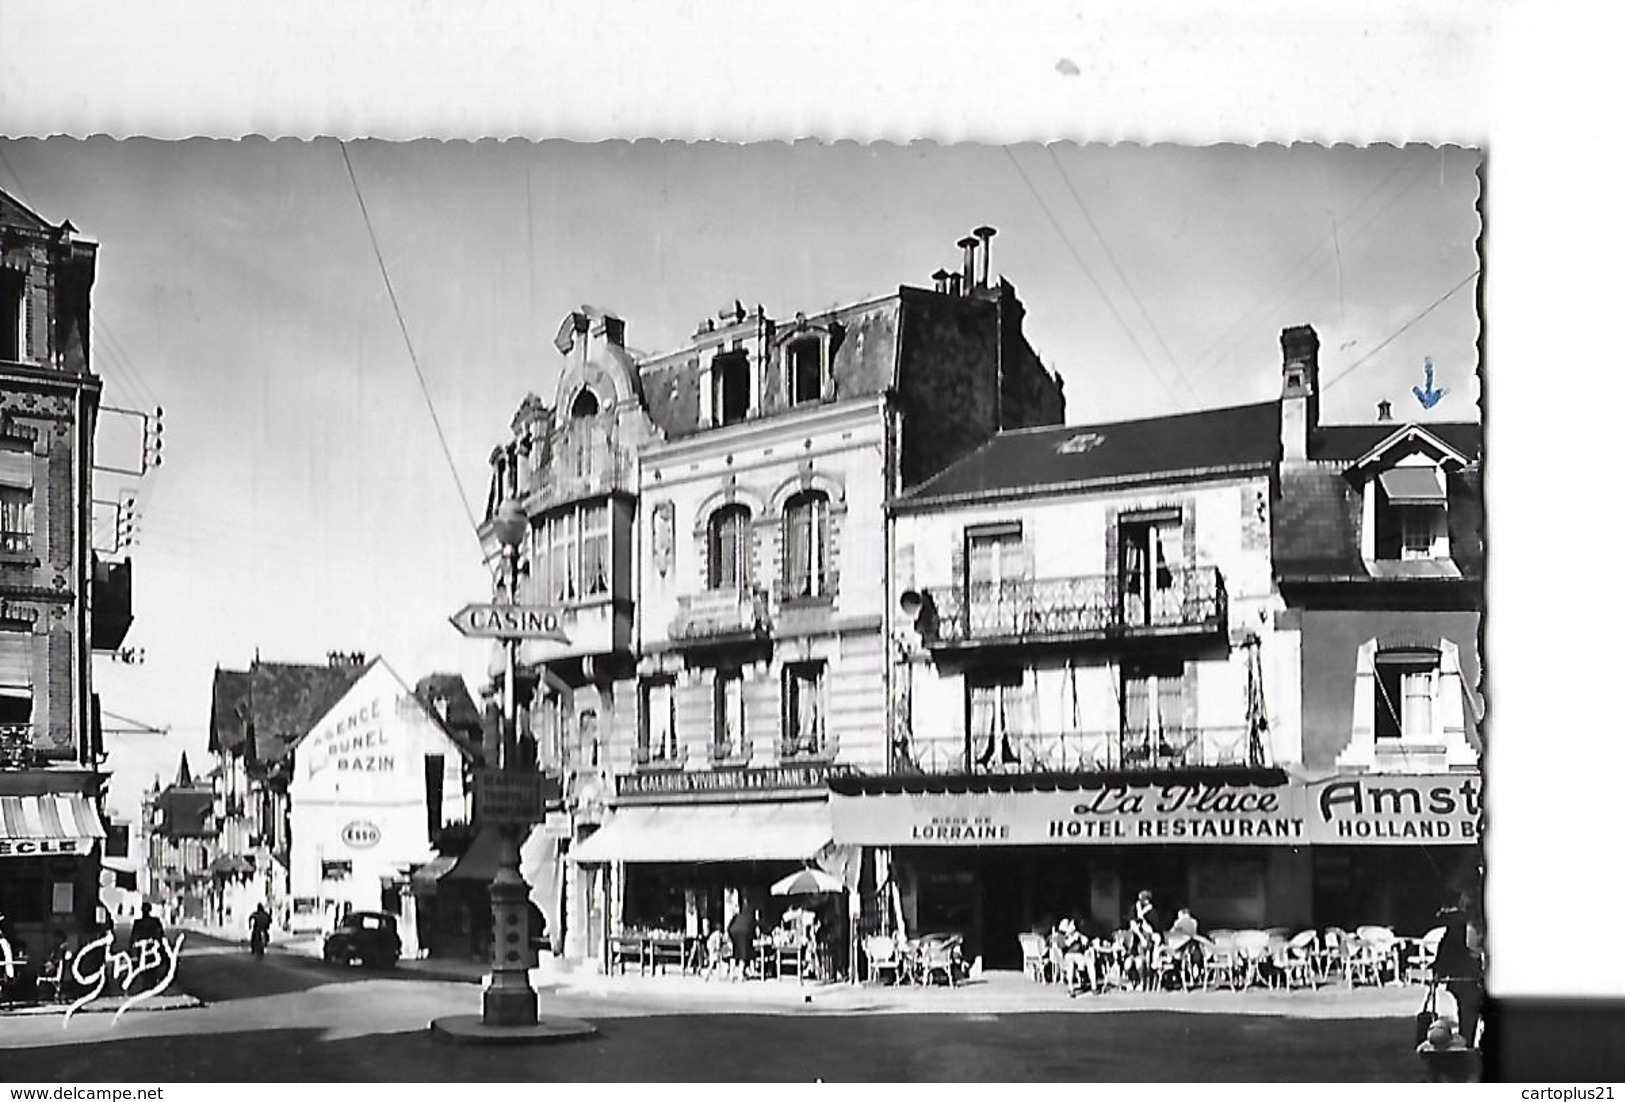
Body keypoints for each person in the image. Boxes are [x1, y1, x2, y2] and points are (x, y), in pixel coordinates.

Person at [1433, 902, 1483, 1048]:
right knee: (1468, 1011)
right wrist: (1439, 970)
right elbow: (1446, 951)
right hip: (1467, 980)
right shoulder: (1458, 929)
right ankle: (1467, 1045)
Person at [727, 906, 757, 981]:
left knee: (734, 954)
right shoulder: (751, 917)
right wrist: (754, 938)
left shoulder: (737, 915)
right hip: (744, 933)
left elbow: (729, 926)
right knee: (743, 955)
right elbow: (753, 930)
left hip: (733, 931)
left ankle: (731, 974)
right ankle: (740, 974)